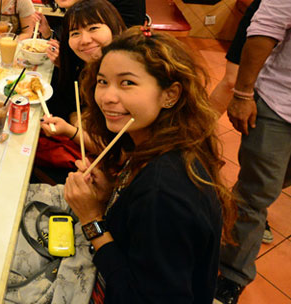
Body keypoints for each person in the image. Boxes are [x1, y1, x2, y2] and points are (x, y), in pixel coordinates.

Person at [66, 27, 235, 303]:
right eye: (102, 81)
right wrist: (111, 195)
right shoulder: (156, 145)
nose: (107, 97)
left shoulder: (163, 191)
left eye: (127, 83)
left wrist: (92, 220)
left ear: (170, 95)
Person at [214, 0, 291, 304]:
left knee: (269, 185)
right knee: (254, 196)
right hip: (279, 102)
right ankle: (231, 274)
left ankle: (226, 213)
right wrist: (244, 93)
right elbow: (266, 26)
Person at [40, 0, 126, 152]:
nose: (85, 40)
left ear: (115, 27)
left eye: (93, 28)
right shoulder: (85, 66)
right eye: (75, 33)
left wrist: (71, 130)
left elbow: (117, 151)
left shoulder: (123, 77)